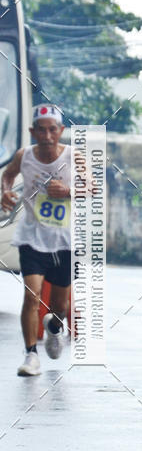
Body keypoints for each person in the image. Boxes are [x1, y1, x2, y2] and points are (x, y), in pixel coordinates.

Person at [1, 105, 71, 376]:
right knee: (31, 295)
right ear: (32, 132)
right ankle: (31, 355)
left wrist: (68, 190)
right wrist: (5, 192)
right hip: (31, 235)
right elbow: (7, 176)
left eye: (52, 129)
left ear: (60, 131)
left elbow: (91, 185)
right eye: (41, 129)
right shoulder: (24, 156)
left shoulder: (72, 157)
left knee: (59, 308)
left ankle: (54, 327)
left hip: (63, 240)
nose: (47, 134)